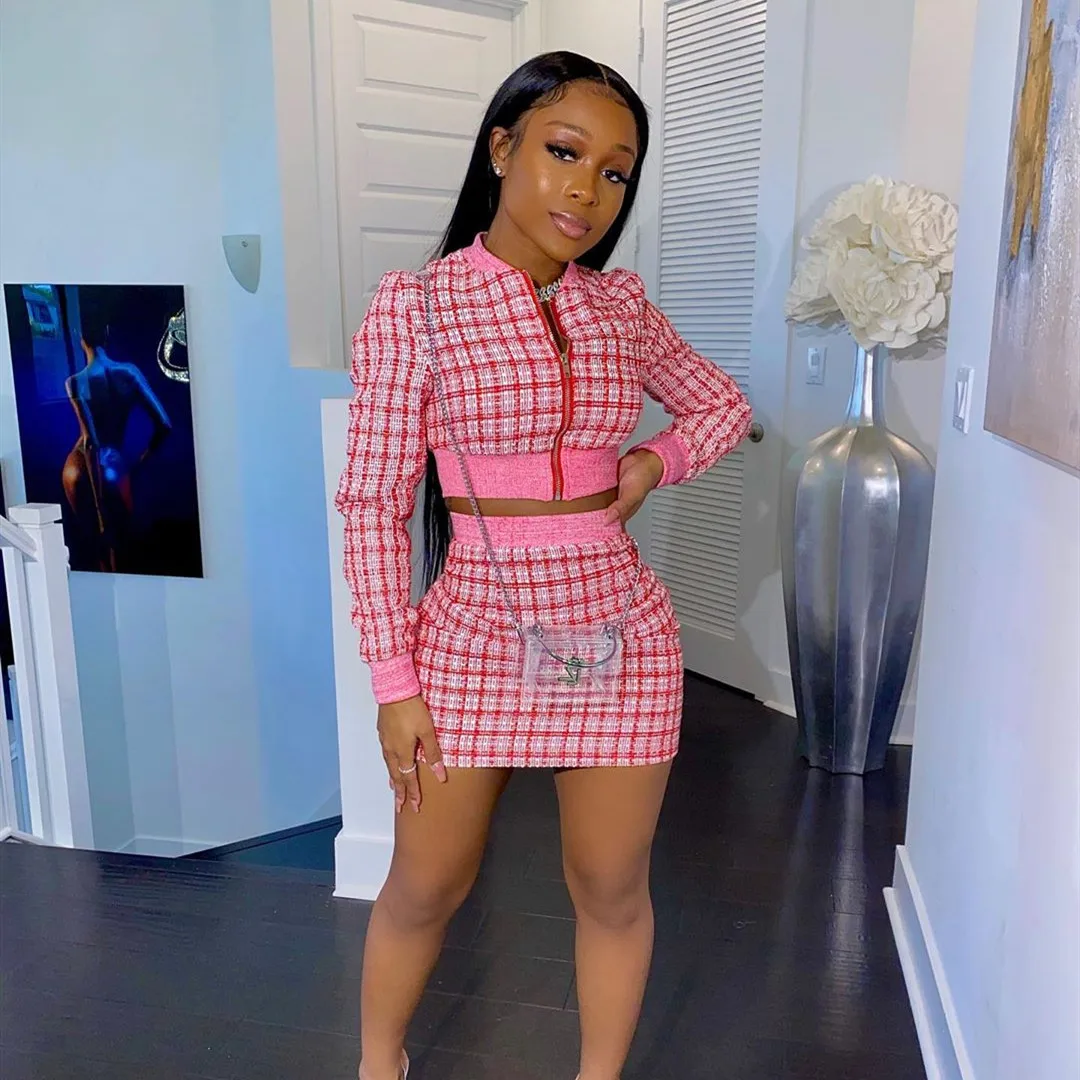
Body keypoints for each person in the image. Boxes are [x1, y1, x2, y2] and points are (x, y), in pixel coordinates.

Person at [336, 51, 752, 1080]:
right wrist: (393, 684)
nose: (587, 190)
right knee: (427, 885)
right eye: (565, 152)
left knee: (611, 888)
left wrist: (652, 462)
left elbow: (721, 406)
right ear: (501, 147)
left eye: (615, 172)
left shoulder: (621, 308)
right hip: (472, 631)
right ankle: (379, 1065)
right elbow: (373, 506)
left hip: (619, 629)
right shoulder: (416, 308)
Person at [62, 307, 173, 571]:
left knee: (98, 546)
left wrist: (99, 509)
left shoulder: (75, 382)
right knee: (120, 546)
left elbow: (89, 441)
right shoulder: (129, 373)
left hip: (77, 466)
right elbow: (164, 425)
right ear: (107, 333)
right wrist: (139, 463)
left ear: (80, 338)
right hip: (112, 463)